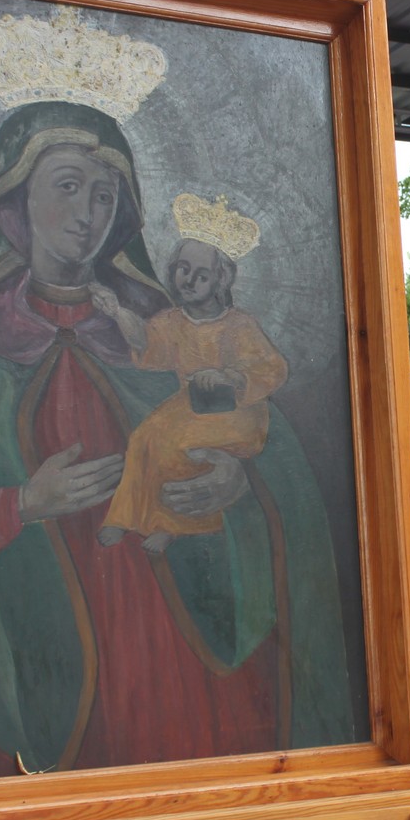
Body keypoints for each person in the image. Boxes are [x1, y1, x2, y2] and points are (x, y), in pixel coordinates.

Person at [0, 14, 356, 794]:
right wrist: (15, 503)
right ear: (12, 206)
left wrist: (237, 483)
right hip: (28, 664)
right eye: (67, 187)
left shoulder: (176, 333)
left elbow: (276, 465)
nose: (90, 212)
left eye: (106, 193)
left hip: (179, 656)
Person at [96, 196, 289, 554]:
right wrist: (117, 311)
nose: (189, 280)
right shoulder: (173, 322)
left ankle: (172, 525)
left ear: (220, 281)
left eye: (201, 275)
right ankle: (124, 516)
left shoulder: (239, 326)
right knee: (144, 438)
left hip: (237, 412)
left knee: (180, 445)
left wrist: (230, 376)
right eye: (182, 269)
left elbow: (273, 368)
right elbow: (147, 343)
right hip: (191, 405)